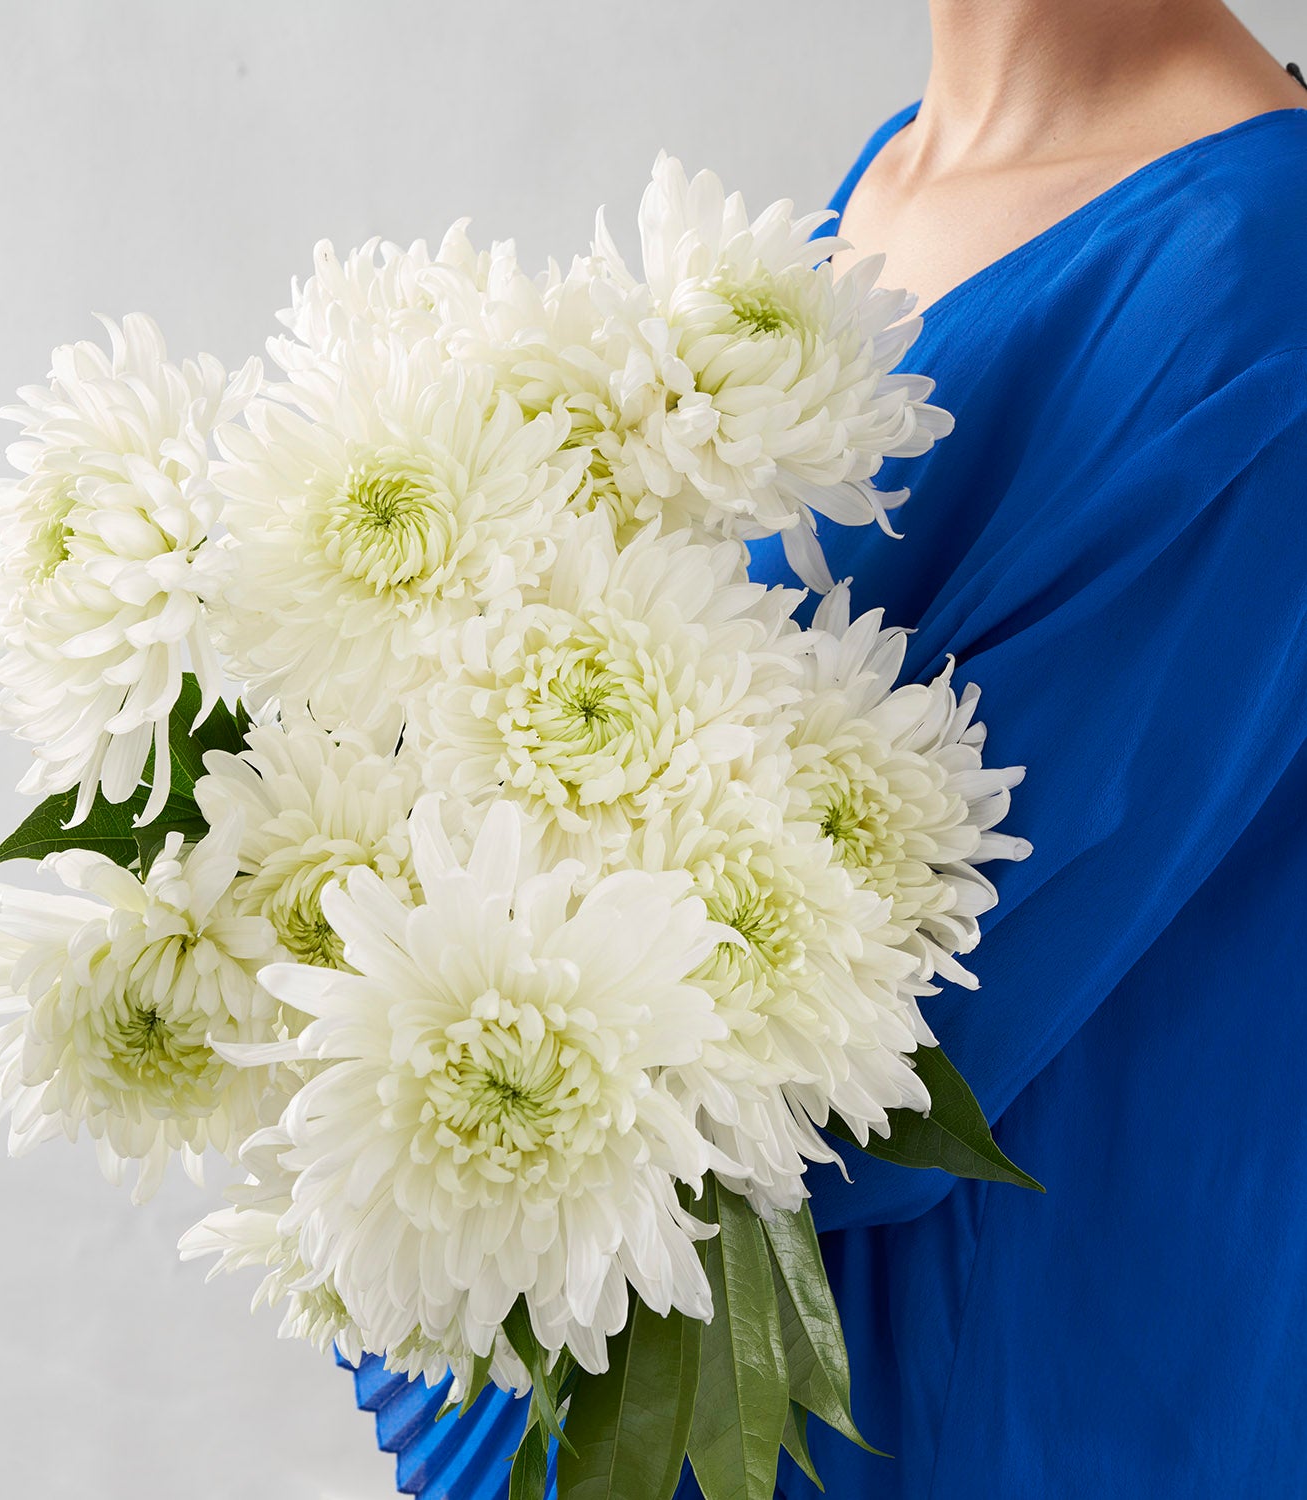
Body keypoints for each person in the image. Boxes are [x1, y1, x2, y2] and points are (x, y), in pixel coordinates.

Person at [348, 3, 1307, 1494]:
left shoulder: (1263, 271)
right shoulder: (891, 177)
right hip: (750, 1313)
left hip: (981, 1376)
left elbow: (912, 1040)